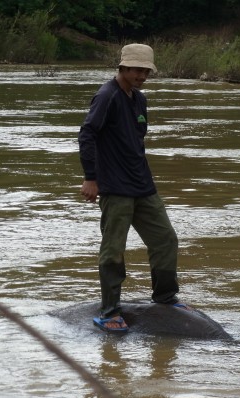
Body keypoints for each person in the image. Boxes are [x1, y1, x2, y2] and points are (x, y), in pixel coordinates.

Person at [78, 43, 188, 333]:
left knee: (166, 239)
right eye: (137, 70)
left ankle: (165, 296)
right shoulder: (106, 96)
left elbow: (136, 143)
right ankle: (109, 311)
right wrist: (91, 177)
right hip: (115, 189)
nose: (141, 75)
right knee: (113, 250)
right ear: (123, 67)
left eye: (146, 70)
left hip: (143, 185)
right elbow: (87, 134)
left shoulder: (139, 99)